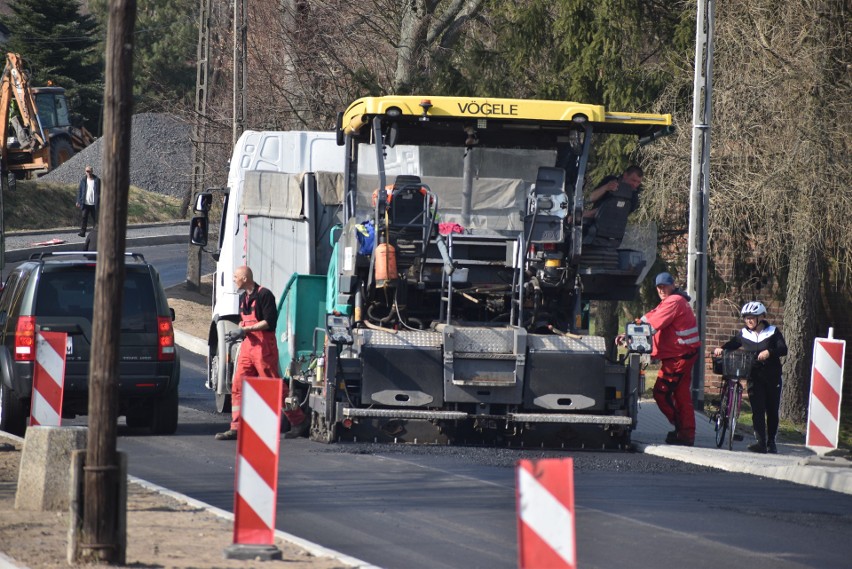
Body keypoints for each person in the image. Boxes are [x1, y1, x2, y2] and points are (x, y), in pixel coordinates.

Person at [215, 266, 309, 440]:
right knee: (237, 385)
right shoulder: (244, 297)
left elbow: (269, 322)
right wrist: (240, 331)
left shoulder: (265, 295)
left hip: (263, 346)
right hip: (248, 345)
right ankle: (236, 427)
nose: (234, 279)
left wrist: (245, 330)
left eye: (236, 276)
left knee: (273, 385)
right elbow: (245, 322)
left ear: (244, 278)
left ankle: (298, 421)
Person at [619, 271, 700, 446]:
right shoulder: (673, 301)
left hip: (678, 357)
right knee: (681, 395)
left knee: (661, 393)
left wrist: (630, 338)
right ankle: (686, 434)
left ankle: (681, 430)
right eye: (659, 287)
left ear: (673, 285)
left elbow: (652, 326)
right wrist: (627, 332)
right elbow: (649, 317)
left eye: (665, 286)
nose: (662, 289)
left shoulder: (674, 302)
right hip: (683, 354)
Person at [713, 301, 787, 454]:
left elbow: (783, 348)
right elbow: (733, 344)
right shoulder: (744, 333)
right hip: (754, 376)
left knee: (772, 410)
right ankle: (760, 443)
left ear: (761, 317)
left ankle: (771, 442)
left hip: (772, 376)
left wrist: (769, 352)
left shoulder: (773, 332)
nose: (749, 320)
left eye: (752, 317)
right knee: (757, 409)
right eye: (746, 318)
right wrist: (722, 348)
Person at [76, 165, 101, 237]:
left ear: (92, 171)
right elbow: (80, 191)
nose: (88, 172)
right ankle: (82, 232)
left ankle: (95, 234)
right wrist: (78, 201)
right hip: (85, 203)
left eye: (90, 171)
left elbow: (100, 191)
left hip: (94, 204)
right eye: (87, 171)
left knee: (95, 220)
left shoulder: (97, 180)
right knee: (84, 218)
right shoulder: (83, 180)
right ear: (85, 172)